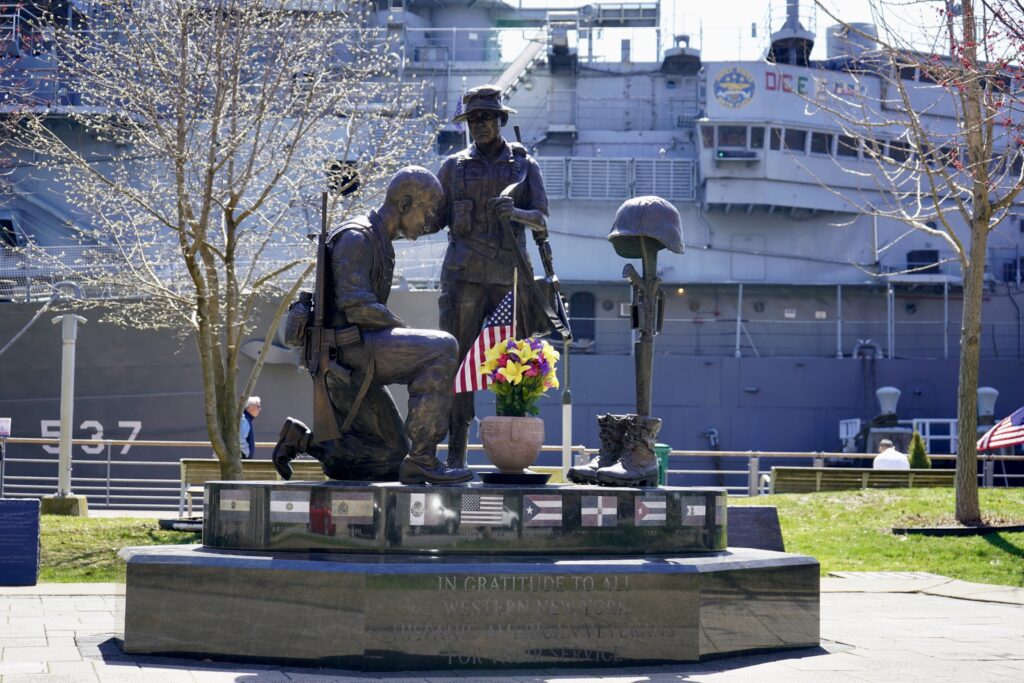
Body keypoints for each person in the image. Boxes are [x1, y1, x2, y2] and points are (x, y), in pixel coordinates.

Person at [272, 166, 473, 485]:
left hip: (355, 351)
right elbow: (356, 304)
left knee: (390, 458)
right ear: (406, 204)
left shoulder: (376, 239)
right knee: (442, 348)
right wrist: (399, 327)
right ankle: (423, 459)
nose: (427, 222)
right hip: (348, 352)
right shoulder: (358, 236)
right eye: (426, 211)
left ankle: (306, 442)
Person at [429, 84, 550, 469]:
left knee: (510, 365)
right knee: (457, 362)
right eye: (473, 119)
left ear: (501, 120)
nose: (479, 125)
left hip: (506, 277)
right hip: (462, 276)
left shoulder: (524, 164)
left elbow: (542, 220)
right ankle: (456, 455)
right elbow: (433, 219)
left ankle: (509, 456)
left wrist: (515, 212)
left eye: (486, 118)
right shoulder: (451, 167)